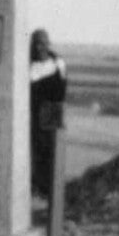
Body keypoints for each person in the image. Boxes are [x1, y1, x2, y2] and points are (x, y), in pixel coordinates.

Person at [29, 28, 68, 203]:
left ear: (48, 44)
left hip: (51, 112)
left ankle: (49, 191)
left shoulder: (58, 63)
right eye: (37, 43)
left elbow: (62, 91)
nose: (40, 47)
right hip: (32, 114)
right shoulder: (27, 65)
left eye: (43, 43)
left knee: (50, 152)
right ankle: (36, 189)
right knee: (34, 153)